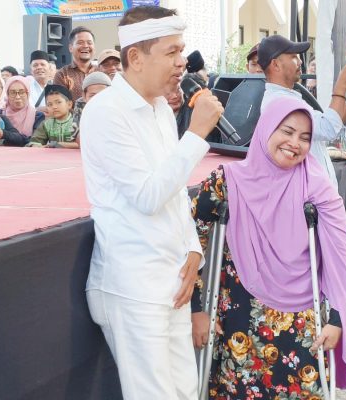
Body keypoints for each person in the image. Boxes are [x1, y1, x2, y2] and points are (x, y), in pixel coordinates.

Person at [81, 6, 224, 399]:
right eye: (172, 52)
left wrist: (193, 247)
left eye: (182, 51)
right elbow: (146, 196)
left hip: (170, 280)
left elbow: (173, 192)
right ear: (135, 58)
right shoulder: (105, 112)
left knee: (184, 390)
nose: (182, 63)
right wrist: (196, 135)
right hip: (132, 285)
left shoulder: (161, 107)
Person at [191, 98, 346, 397]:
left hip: (302, 322)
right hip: (240, 321)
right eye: (287, 131)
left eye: (305, 138)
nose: (295, 144)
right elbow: (188, 238)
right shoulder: (227, 181)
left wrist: (338, 320)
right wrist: (196, 308)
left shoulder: (317, 187)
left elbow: (340, 257)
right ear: (266, 129)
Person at [258, 34, 346, 186]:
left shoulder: (284, 98)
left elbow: (331, 125)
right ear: (276, 65)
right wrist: (341, 84)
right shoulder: (282, 102)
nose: (300, 61)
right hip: (308, 198)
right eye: (294, 57)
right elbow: (328, 128)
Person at [54, 26, 95, 101]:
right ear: (70, 48)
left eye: (89, 43)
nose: (86, 46)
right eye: (80, 42)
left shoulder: (101, 71)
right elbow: (62, 106)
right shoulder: (62, 75)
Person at [72, 72, 112, 146]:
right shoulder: (80, 104)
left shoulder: (117, 104)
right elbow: (77, 135)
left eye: (102, 95)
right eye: (92, 96)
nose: (97, 99)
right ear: (84, 96)